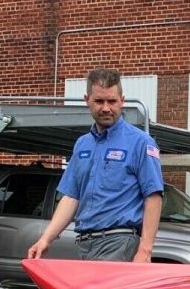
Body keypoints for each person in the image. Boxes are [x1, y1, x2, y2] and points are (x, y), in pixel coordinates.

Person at [28, 68, 164, 263]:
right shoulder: (82, 144)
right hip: (84, 243)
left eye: (112, 101)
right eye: (99, 101)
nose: (106, 108)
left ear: (122, 101)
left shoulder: (141, 143)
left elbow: (153, 196)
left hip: (119, 242)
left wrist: (145, 250)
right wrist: (45, 239)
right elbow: (71, 196)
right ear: (87, 100)